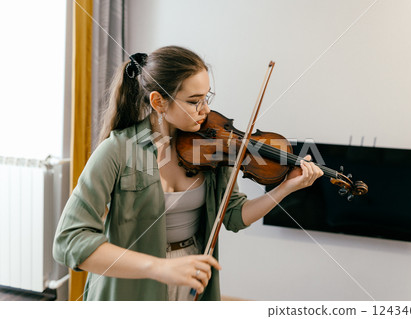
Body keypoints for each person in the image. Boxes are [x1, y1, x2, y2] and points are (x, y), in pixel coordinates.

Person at [53, 45, 323, 301]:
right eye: (194, 101)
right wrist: (157, 267)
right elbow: (69, 240)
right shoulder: (118, 150)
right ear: (158, 102)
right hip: (131, 283)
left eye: (207, 98)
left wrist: (286, 187)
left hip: (190, 277)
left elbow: (234, 216)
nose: (205, 110)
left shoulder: (211, 147)